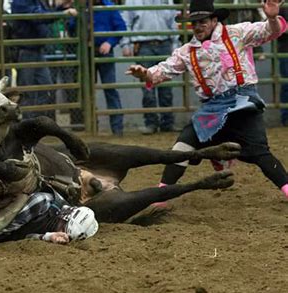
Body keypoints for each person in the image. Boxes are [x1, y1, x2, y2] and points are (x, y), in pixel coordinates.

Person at [126, 0, 288, 200]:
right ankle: (160, 196)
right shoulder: (187, 51)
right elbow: (164, 70)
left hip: (242, 101)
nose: (197, 27)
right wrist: (146, 74)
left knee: (260, 154)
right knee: (182, 147)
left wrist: (272, 17)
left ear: (214, 20)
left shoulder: (237, 33)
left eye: (202, 21)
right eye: (194, 23)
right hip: (212, 109)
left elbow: (270, 31)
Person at [121, 0, 179, 135]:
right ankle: (151, 122)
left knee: (166, 85)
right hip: (143, 45)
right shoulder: (132, 2)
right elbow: (126, 22)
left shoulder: (167, 1)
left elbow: (173, 22)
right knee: (148, 86)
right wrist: (126, 43)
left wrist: (175, 43)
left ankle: (167, 122)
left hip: (164, 43)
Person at [11, 0, 77, 120]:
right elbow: (40, 17)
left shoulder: (34, 2)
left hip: (36, 49)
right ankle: (27, 123)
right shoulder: (21, 2)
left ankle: (35, 121)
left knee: (46, 88)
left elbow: (44, 14)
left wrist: (61, 9)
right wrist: (62, 12)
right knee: (28, 91)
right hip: (26, 49)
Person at [68, 0, 126, 136]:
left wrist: (109, 42)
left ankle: (117, 128)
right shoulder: (81, 7)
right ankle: (92, 126)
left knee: (109, 89)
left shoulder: (108, 7)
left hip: (102, 52)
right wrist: (74, 19)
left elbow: (121, 27)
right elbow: (71, 30)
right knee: (87, 92)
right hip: (86, 52)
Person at [278, 6, 288, 127]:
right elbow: (277, 27)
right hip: (285, 48)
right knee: (286, 84)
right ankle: (286, 116)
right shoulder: (282, 6)